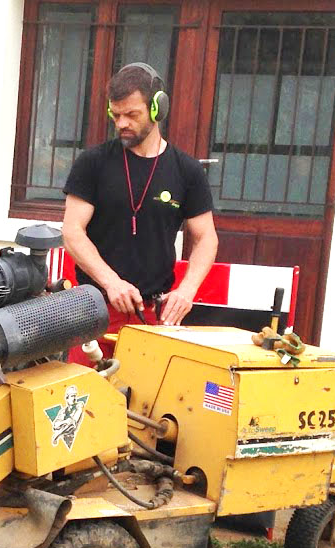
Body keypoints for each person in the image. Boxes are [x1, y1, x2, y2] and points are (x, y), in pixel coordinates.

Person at [62, 62, 218, 356]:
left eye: (132, 115)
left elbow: (206, 238)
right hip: (93, 311)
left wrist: (186, 291)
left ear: (157, 110)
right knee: (85, 400)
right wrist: (112, 283)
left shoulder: (187, 171)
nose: (122, 123)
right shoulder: (92, 163)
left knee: (148, 402)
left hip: (154, 316)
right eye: (116, 115)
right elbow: (72, 232)